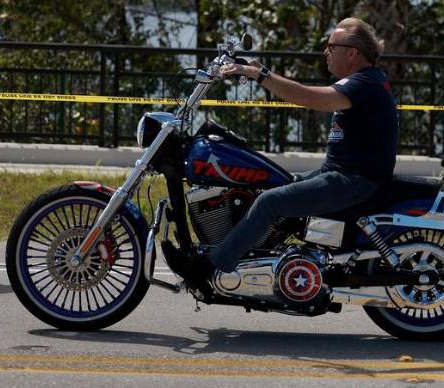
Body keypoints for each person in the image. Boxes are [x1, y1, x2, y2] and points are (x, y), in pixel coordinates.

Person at [165, 17, 399, 293]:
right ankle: (259, 260)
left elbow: (309, 97)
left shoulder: (363, 84)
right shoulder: (366, 80)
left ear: (352, 53)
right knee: (272, 186)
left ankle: (205, 268)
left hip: (354, 181)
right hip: (340, 174)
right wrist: (256, 69)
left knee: (270, 202)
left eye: (331, 46)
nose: (325, 52)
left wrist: (260, 75)